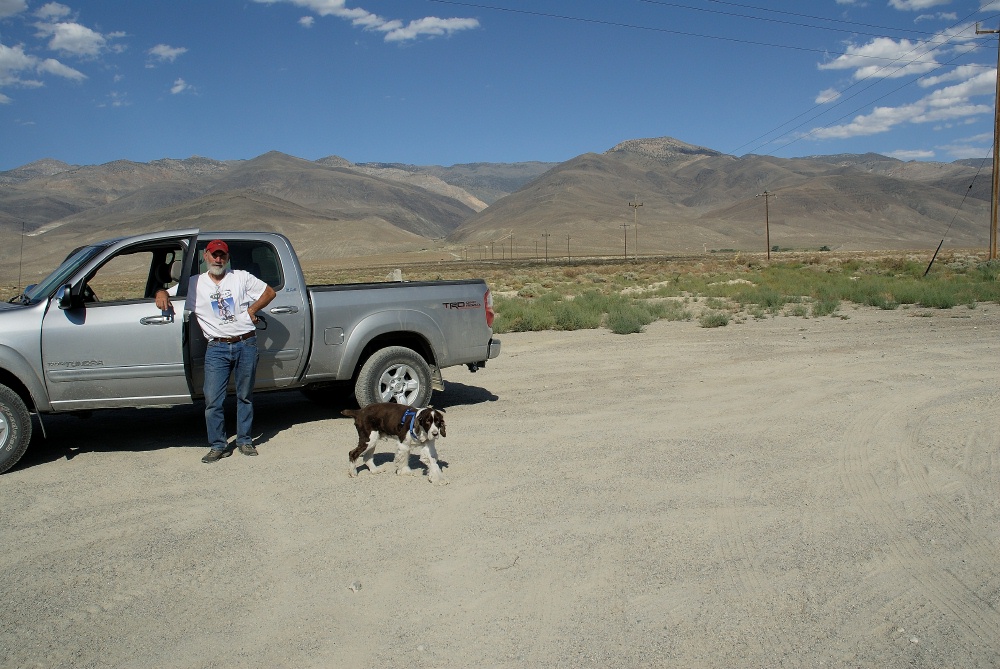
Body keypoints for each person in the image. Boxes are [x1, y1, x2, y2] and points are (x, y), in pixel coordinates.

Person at [155, 239, 276, 464]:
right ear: (206, 257)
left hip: (246, 343)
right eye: (214, 255)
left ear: (227, 258)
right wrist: (161, 293)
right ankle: (218, 445)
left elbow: (269, 292)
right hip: (217, 348)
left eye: (222, 255)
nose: (218, 259)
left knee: (245, 396)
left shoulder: (240, 277)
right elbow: (167, 293)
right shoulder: (194, 283)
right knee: (213, 399)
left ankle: (244, 440)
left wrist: (252, 309)